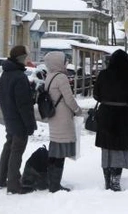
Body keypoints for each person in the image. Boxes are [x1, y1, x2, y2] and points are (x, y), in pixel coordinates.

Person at [94, 49, 128, 191]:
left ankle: (107, 179)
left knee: (106, 147)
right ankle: (116, 179)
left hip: (106, 113)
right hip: (123, 115)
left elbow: (96, 95)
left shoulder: (103, 75)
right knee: (119, 148)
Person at [0, 45, 37, 194]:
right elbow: (24, 105)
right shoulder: (19, 77)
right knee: (16, 152)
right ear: (21, 58)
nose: (28, 59)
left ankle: (1, 179)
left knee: (9, 147)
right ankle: (14, 184)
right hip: (18, 121)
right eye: (26, 57)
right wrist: (30, 125)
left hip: (9, 118)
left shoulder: (6, 74)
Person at [43, 51, 82, 192]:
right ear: (58, 62)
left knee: (54, 151)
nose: (66, 63)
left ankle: (51, 181)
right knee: (60, 153)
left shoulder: (50, 76)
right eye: (64, 61)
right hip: (63, 118)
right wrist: (78, 110)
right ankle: (55, 185)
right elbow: (69, 98)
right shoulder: (61, 78)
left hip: (54, 117)